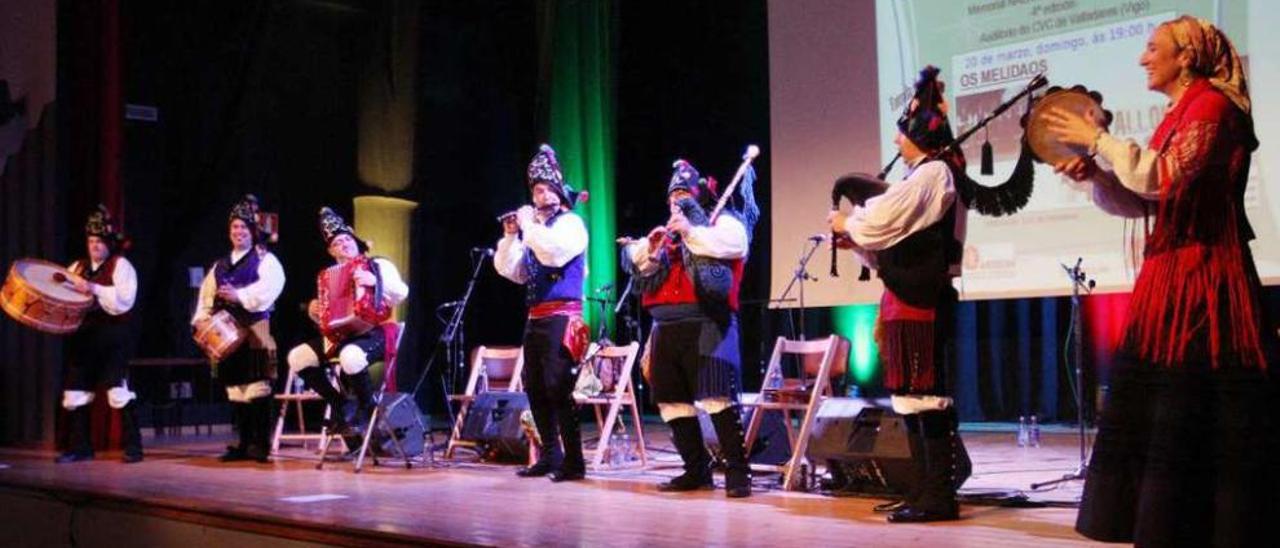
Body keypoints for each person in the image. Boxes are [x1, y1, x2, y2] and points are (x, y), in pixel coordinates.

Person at [1046, 15, 1279, 546]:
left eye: (1154, 48)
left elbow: (1166, 175)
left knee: (1199, 398)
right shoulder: (1179, 113)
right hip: (1170, 273)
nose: (1142, 58)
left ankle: (1216, 526)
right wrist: (1099, 174)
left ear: (1186, 56)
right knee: (1165, 401)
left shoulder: (1213, 106)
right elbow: (1144, 198)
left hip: (1205, 277)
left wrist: (1100, 140)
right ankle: (1165, 523)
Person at [827, 66, 968, 522]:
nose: (895, 143)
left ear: (916, 136)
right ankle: (924, 490)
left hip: (923, 301)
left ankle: (939, 496)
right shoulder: (922, 175)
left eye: (900, 135)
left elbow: (886, 218)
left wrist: (849, 223)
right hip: (905, 298)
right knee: (910, 395)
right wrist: (859, 244)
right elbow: (892, 238)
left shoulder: (933, 174)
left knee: (926, 395)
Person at [622, 157, 759, 498]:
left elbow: (735, 245)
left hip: (707, 321)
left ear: (699, 196)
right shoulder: (668, 236)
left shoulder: (723, 223)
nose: (676, 202)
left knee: (716, 398)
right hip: (666, 327)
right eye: (673, 196)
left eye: (684, 195)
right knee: (672, 401)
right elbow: (639, 266)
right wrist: (652, 247)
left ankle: (738, 472)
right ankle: (695, 469)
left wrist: (690, 231)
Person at [494, 144, 591, 482]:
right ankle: (551, 455)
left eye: (545, 188)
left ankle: (575, 462)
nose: (539, 193)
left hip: (563, 318)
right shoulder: (535, 232)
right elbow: (513, 272)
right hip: (535, 319)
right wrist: (510, 237)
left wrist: (528, 228)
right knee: (534, 387)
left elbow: (553, 253)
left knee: (558, 387)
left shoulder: (571, 225)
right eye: (535, 189)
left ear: (559, 193)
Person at [286, 207, 408, 438]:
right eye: (337, 243)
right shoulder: (328, 275)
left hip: (376, 331)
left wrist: (375, 281)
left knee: (350, 356)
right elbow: (329, 317)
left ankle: (367, 410)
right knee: (297, 357)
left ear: (356, 242)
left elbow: (402, 292)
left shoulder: (378, 265)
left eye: (347, 239)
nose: (343, 245)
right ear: (332, 251)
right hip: (342, 336)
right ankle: (340, 403)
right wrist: (315, 310)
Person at [192, 195, 285, 463]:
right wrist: (201, 319)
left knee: (258, 385)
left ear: (253, 231)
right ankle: (243, 443)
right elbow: (206, 296)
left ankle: (260, 444)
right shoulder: (219, 265)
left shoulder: (265, 259)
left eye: (244, 228)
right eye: (235, 227)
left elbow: (271, 288)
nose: (239, 232)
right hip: (225, 329)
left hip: (255, 326)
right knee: (235, 387)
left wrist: (240, 295)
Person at [57, 205, 143, 464]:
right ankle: (81, 447)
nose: (94, 246)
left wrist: (92, 287)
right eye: (91, 241)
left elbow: (124, 301)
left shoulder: (120, 265)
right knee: (76, 391)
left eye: (99, 241)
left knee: (117, 391)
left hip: (112, 338)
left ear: (108, 243)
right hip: (83, 339)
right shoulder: (77, 267)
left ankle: (133, 447)